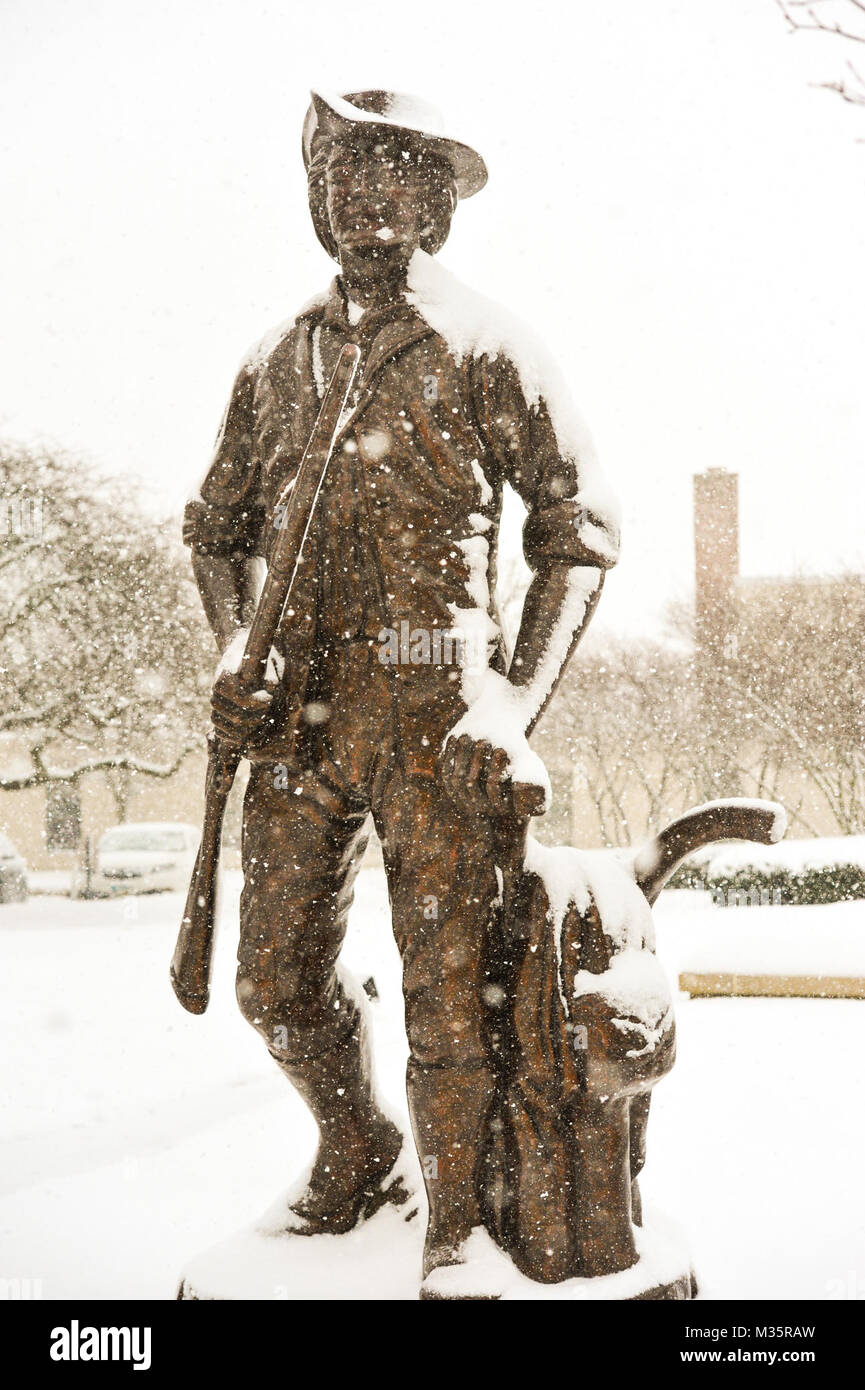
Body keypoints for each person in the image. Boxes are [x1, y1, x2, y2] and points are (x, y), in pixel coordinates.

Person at [183, 88, 619, 1293]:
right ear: (317, 203)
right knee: (270, 981)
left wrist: (509, 706)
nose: (362, 205)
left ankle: (461, 1220)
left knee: (448, 993)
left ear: (433, 207)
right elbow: (215, 529)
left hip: (439, 714)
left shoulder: (489, 349)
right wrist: (235, 649)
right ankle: (359, 1150)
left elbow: (579, 537)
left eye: (389, 184)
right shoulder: (275, 359)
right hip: (297, 721)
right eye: (341, 183)